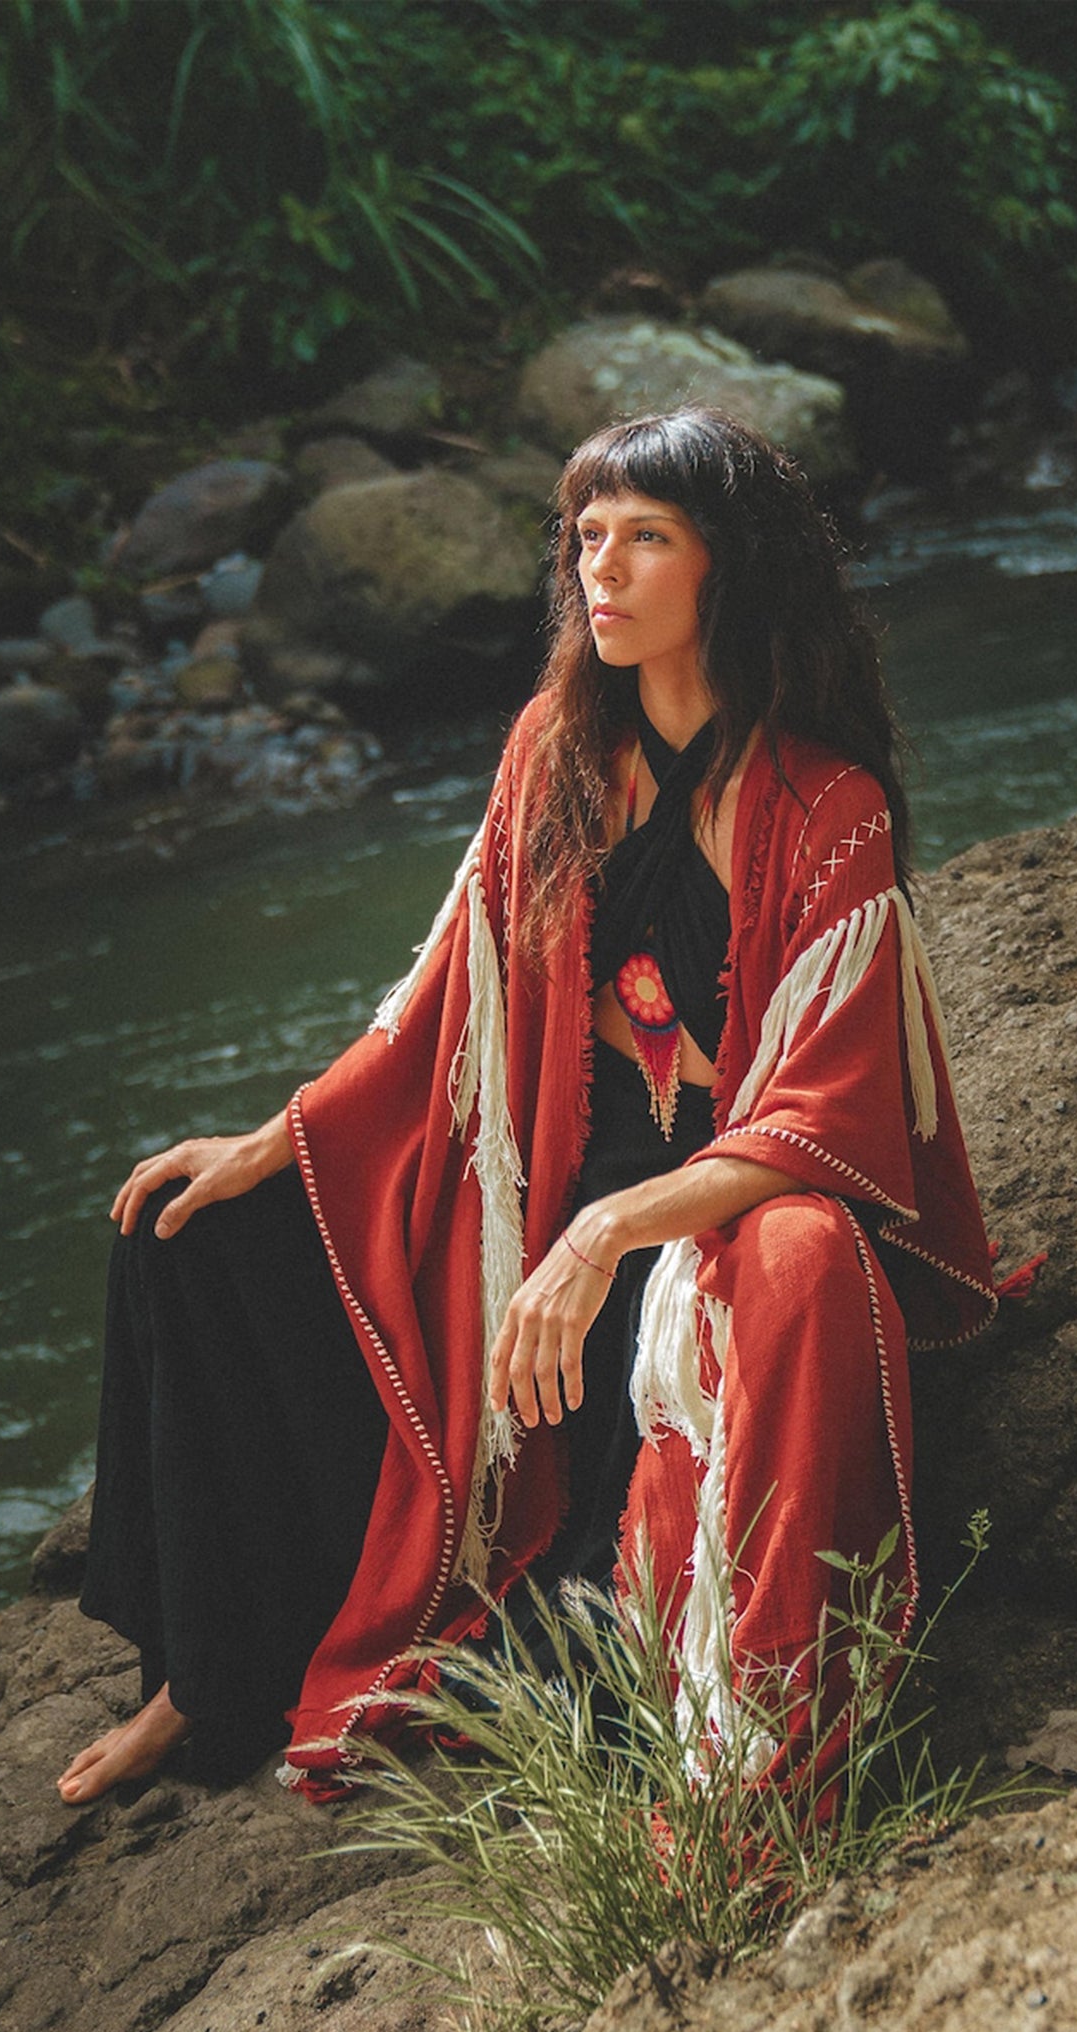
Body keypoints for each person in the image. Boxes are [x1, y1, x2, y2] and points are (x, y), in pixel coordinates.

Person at [57, 407, 997, 1811]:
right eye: (585, 539)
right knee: (179, 1234)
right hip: (541, 1184)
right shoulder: (556, 746)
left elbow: (829, 1112)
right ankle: (203, 1673)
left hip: (707, 1212)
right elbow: (451, 989)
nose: (598, 570)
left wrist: (604, 1237)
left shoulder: (829, 802)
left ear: (726, 567)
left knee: (591, 1614)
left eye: (644, 539)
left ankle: (720, 1714)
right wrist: (280, 1140)